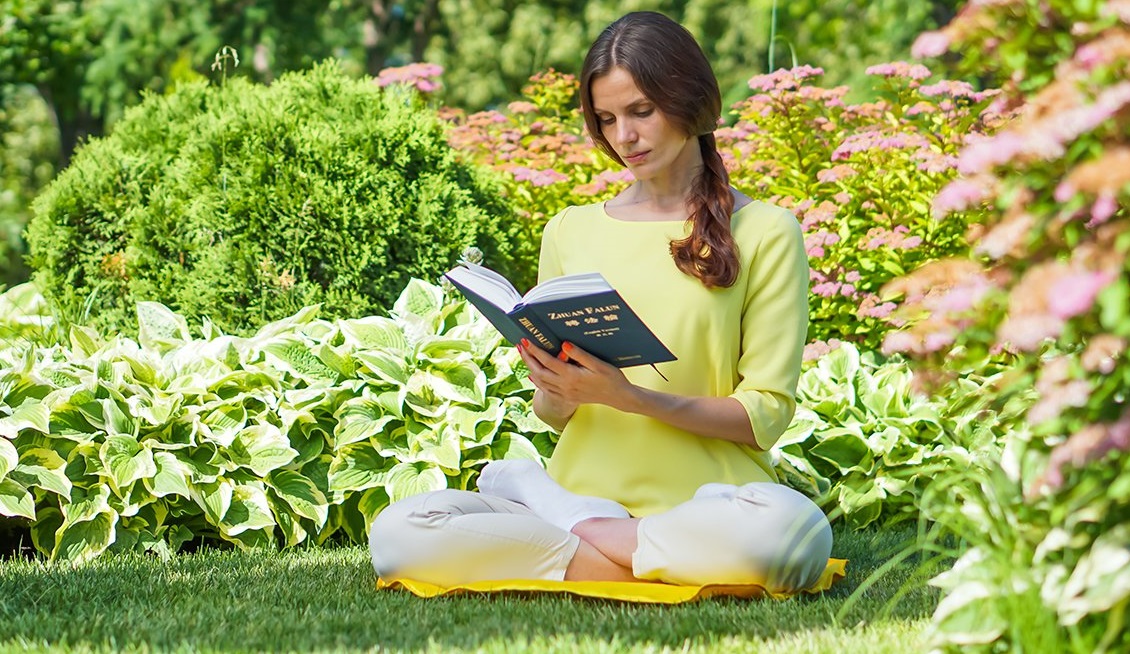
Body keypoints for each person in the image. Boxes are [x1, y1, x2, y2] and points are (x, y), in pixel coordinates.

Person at [369, 10, 832, 592]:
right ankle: (628, 545)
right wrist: (558, 388)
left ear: (690, 102)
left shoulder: (766, 230)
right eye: (607, 119)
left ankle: (581, 533)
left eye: (642, 111)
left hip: (706, 504)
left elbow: (763, 415)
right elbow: (552, 413)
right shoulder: (570, 230)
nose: (625, 138)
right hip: (583, 489)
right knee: (399, 532)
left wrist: (630, 397)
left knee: (791, 535)